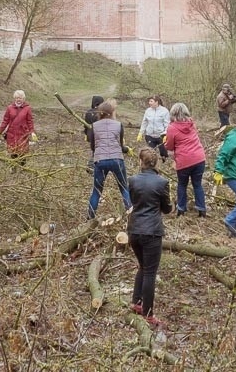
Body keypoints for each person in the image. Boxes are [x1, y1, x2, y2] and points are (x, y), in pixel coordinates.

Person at [127, 147, 172, 327]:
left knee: (143, 267)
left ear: (141, 162)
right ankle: (148, 313)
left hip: (134, 231)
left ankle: (136, 302)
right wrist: (171, 205)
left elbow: (133, 201)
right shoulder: (162, 183)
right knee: (150, 273)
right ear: (156, 163)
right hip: (152, 232)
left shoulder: (132, 180)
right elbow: (167, 208)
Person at [87, 99, 132, 219]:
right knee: (123, 187)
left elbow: (92, 146)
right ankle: (131, 212)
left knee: (97, 190)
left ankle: (90, 218)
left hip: (100, 160)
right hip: (117, 159)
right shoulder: (118, 125)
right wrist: (126, 149)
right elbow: (121, 145)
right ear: (112, 112)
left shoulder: (94, 126)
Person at [165, 103, 207, 218]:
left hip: (184, 160)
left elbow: (169, 146)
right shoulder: (191, 123)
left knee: (182, 184)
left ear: (172, 114)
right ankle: (202, 210)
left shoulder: (172, 128)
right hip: (199, 158)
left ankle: (181, 209)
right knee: (197, 184)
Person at [0, 89, 36, 165]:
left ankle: (22, 167)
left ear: (23, 99)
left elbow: (30, 121)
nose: (18, 100)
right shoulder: (9, 108)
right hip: (12, 133)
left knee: (22, 151)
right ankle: (14, 167)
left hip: (23, 133)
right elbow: (5, 121)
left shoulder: (27, 108)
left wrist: (32, 132)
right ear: (15, 98)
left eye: (20, 98)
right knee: (13, 151)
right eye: (17, 98)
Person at [137, 95, 170, 162]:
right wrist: (140, 133)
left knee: (163, 152)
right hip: (149, 135)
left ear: (156, 102)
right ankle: (152, 163)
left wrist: (166, 134)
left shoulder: (164, 111)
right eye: (149, 101)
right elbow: (144, 122)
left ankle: (164, 160)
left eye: (151, 101)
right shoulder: (148, 111)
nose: (149, 103)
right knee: (151, 152)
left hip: (160, 135)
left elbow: (167, 124)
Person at [84, 95, 104, 173]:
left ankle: (93, 166)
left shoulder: (88, 112)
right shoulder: (101, 113)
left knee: (95, 150)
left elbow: (85, 124)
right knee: (97, 151)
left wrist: (86, 134)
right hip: (98, 135)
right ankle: (91, 165)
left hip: (90, 134)